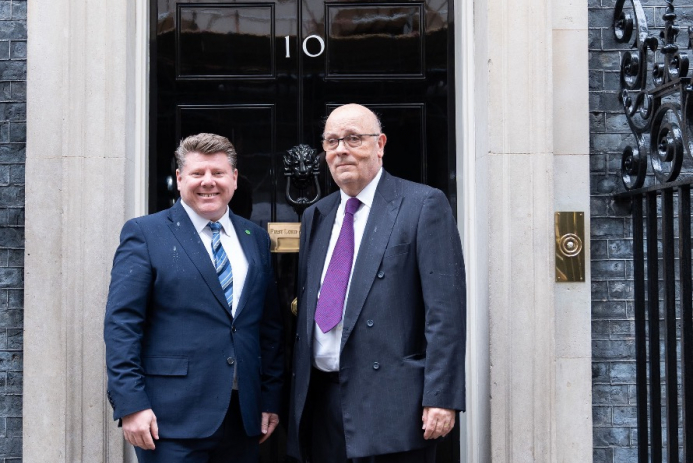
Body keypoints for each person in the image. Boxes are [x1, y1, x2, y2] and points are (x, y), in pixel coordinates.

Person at [287, 104, 466, 463]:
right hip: (322, 406)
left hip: (394, 405)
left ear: (380, 144)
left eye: (354, 139)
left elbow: (444, 311)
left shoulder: (422, 205)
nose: (342, 150)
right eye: (333, 141)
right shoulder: (316, 216)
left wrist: (441, 397)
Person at [104, 133, 283, 463]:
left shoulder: (255, 238)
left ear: (234, 178)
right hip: (168, 419)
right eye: (198, 173)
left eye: (217, 173)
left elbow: (268, 327)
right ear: (179, 178)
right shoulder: (145, 233)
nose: (208, 183)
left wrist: (270, 399)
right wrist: (131, 404)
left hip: (242, 417)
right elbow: (122, 325)